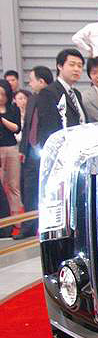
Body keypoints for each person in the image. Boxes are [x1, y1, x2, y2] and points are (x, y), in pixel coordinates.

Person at [16, 66, 53, 238]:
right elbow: (27, 127)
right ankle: (29, 227)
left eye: (31, 80)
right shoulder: (32, 99)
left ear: (41, 81)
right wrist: (23, 150)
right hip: (31, 153)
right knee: (29, 191)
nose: (29, 84)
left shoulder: (53, 98)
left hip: (48, 152)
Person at [36, 49, 89, 150]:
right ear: (60, 66)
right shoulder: (48, 93)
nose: (76, 69)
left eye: (80, 66)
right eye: (72, 64)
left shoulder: (76, 94)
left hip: (80, 149)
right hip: (62, 150)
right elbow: (48, 127)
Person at [0, 78, 22, 235]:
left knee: (14, 185)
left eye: (3, 94)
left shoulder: (13, 109)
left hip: (11, 147)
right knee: (1, 187)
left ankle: (17, 220)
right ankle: (4, 220)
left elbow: (16, 128)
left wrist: (2, 119)